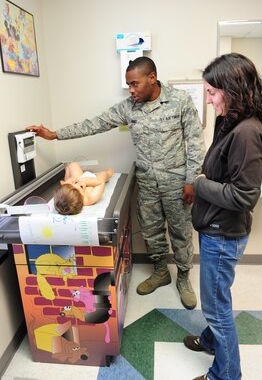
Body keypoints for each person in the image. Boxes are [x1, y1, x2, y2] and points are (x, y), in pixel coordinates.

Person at [26, 56, 205, 310]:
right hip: (147, 181)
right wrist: (55, 134)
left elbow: (195, 143)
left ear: (152, 78)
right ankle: (160, 271)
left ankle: (184, 278)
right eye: (128, 85)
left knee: (181, 231)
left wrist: (191, 181)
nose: (131, 90)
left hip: (177, 182)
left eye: (134, 84)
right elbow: (95, 123)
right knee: (152, 230)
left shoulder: (180, 101)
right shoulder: (129, 107)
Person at [183, 53, 262, 380]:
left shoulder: (247, 132)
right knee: (218, 297)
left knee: (216, 308)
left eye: (212, 92)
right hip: (216, 227)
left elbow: (245, 195)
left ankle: (226, 375)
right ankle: (211, 342)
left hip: (223, 234)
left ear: (232, 90)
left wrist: (201, 184)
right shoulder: (229, 121)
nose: (208, 98)